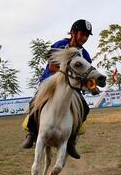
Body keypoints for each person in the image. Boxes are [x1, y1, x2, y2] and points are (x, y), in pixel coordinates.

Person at [22, 19, 94, 159]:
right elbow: (52, 66)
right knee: (34, 102)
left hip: (72, 89)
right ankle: (31, 134)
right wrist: (67, 75)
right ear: (73, 33)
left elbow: (85, 74)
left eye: (87, 35)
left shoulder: (85, 56)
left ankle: (71, 141)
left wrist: (91, 84)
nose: (84, 38)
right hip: (51, 83)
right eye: (82, 34)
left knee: (85, 108)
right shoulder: (59, 45)